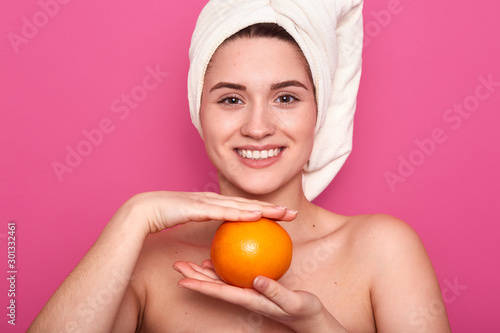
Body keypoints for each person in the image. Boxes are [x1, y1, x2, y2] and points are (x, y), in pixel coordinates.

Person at [29, 0, 451, 332]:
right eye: (231, 99)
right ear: (199, 112)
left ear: (318, 113)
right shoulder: (149, 262)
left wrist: (315, 325)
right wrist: (133, 215)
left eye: (286, 98)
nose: (257, 127)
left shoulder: (383, 250)